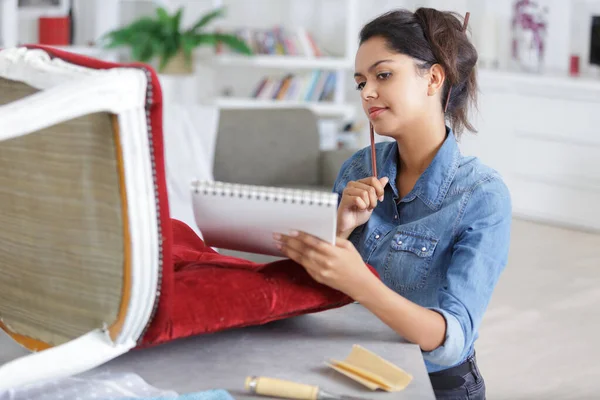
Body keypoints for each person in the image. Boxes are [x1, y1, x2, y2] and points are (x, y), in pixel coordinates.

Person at [273, 7, 512, 400]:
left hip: (435, 387)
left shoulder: (483, 195)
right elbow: (311, 289)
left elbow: (451, 340)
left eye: (383, 75)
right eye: (361, 82)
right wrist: (338, 229)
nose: (367, 93)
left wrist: (360, 283)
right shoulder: (356, 167)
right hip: (350, 370)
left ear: (433, 78)